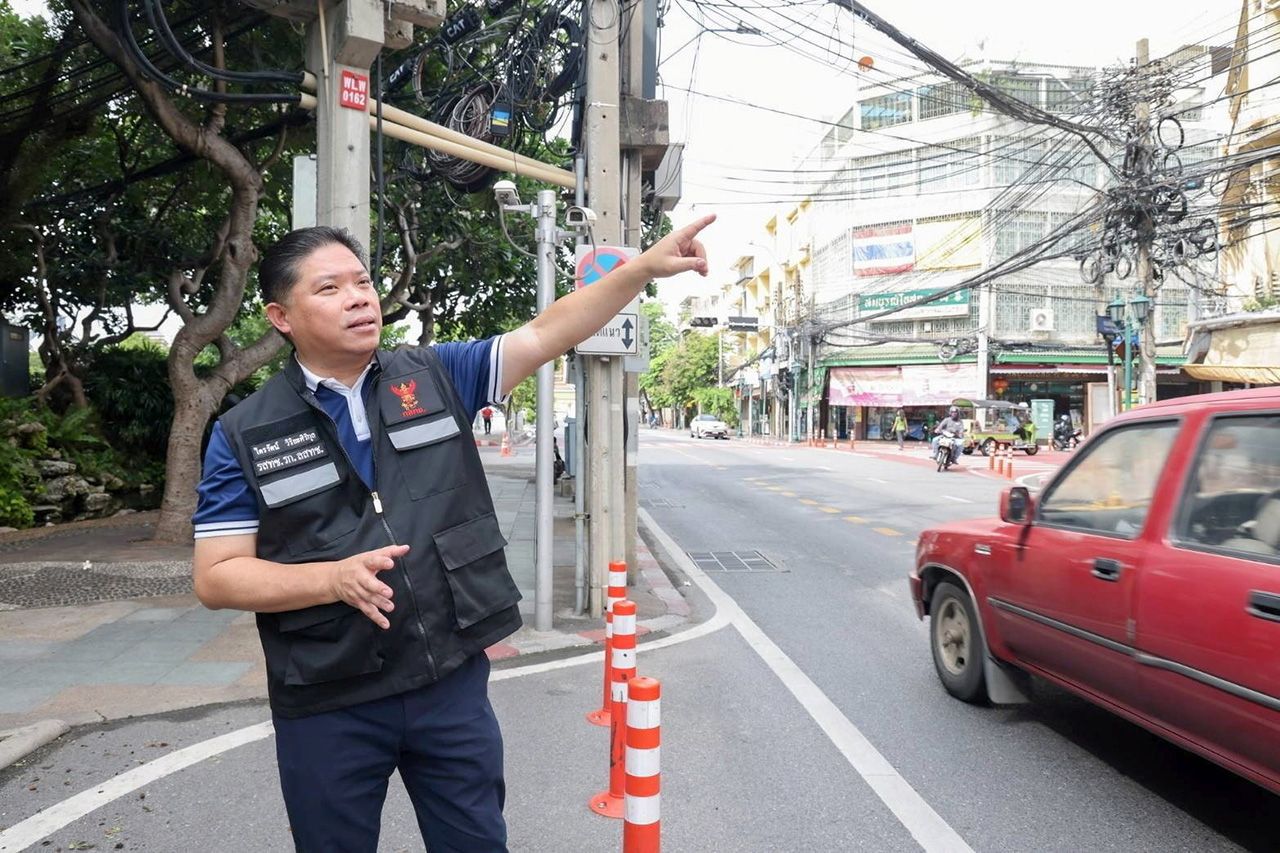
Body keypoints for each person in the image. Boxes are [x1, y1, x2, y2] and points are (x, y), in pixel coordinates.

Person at [190, 216, 713, 852]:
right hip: (329, 697)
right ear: (280, 316)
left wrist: (640, 270)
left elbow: (547, 332)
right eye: (329, 289)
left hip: (448, 683)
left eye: (362, 281)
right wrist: (329, 578)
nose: (358, 297)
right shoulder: (245, 431)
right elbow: (217, 575)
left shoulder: (436, 377)